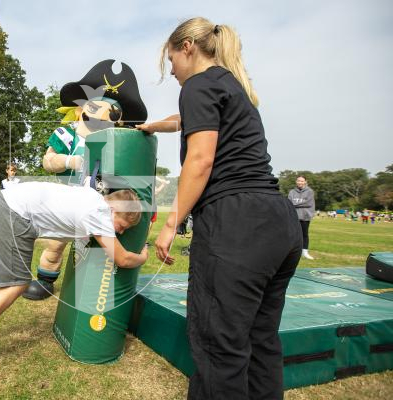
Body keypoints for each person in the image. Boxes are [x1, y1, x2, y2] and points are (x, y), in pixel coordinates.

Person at [137, 17, 302, 400]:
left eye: (171, 60)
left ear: (188, 47)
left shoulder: (197, 84)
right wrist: (151, 127)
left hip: (236, 225)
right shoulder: (232, 85)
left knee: (218, 348)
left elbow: (200, 160)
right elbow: (189, 122)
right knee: (261, 340)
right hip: (278, 223)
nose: (172, 70)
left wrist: (170, 224)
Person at [0, 182, 147, 377]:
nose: (120, 232)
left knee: (2, 272)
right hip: (14, 213)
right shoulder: (99, 213)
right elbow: (123, 259)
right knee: (17, 283)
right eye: (122, 226)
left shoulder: (91, 198)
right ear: (113, 210)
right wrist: (142, 255)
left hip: (5, 205)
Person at [23, 59, 147, 301]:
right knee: (57, 243)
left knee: (97, 247)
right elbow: (47, 162)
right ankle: (46, 279)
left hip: (98, 206)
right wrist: (70, 162)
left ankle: (89, 284)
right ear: (81, 110)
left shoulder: (115, 145)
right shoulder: (67, 136)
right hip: (67, 202)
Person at [288, 176, 316, 260]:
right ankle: (293, 252)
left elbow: (308, 203)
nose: (300, 182)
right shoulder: (292, 192)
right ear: (296, 182)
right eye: (298, 181)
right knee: (294, 235)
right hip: (294, 216)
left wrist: (295, 204)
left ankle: (305, 252)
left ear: (305, 182)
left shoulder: (310, 191)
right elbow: (289, 202)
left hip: (305, 216)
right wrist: (296, 204)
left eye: (302, 181)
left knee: (304, 235)